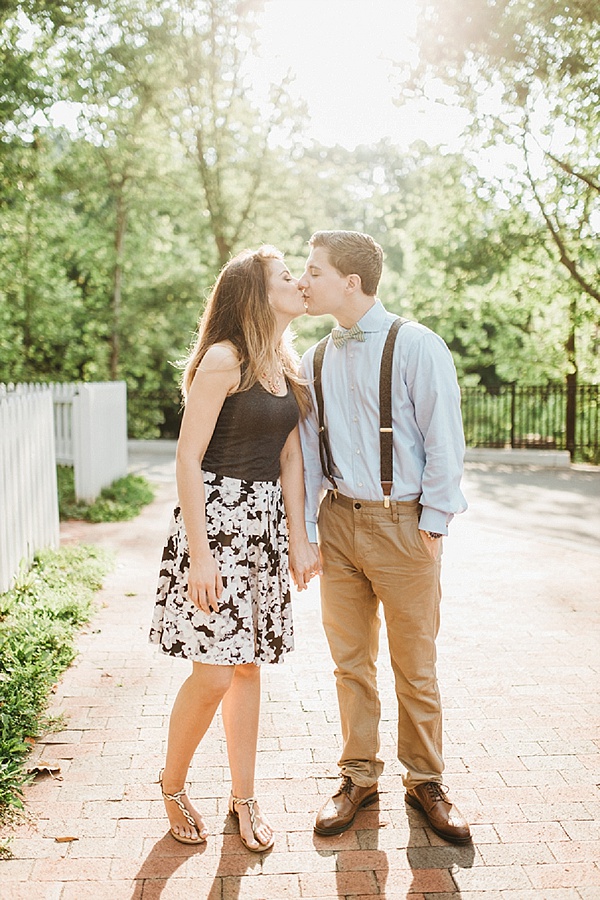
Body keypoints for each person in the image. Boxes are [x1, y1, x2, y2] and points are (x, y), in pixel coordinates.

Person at [298, 230, 471, 844]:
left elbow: (445, 436)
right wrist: (308, 531)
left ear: (351, 281)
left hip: (405, 526)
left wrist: (433, 522)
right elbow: (309, 454)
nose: (303, 281)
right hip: (338, 523)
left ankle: (426, 780)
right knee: (350, 664)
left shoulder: (418, 345)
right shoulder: (313, 358)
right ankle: (357, 776)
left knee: (415, 665)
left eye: (314, 271)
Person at [149, 245, 319, 852]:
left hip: (264, 528)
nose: (299, 283)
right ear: (256, 294)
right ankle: (172, 785)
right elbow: (187, 458)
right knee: (214, 674)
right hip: (217, 525)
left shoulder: (285, 360)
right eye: (286, 277)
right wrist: (200, 554)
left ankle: (243, 798)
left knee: (248, 667)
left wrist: (298, 538)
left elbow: (291, 456)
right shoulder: (225, 359)